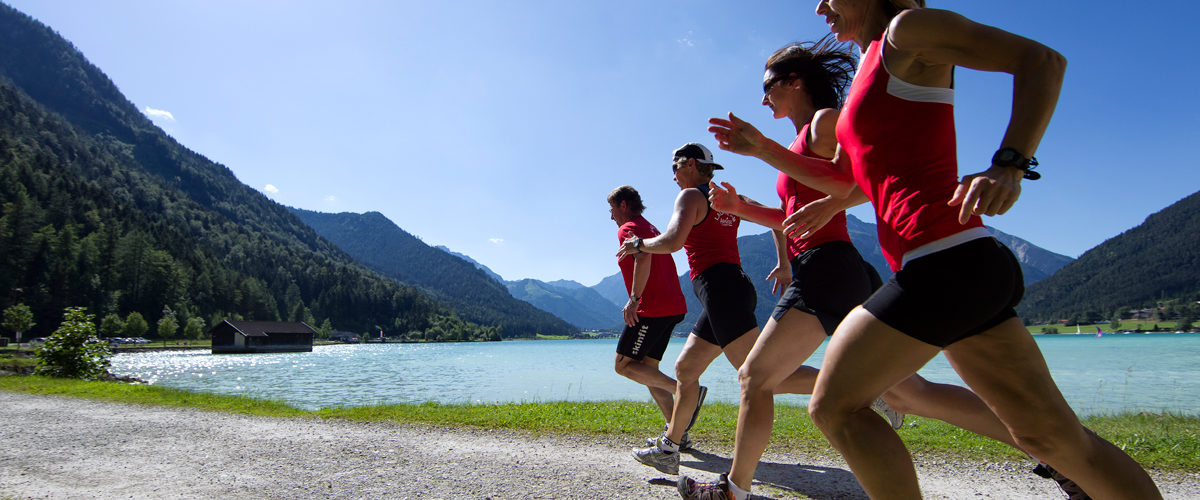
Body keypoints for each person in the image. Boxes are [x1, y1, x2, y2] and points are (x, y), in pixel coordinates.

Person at [708, 1, 1161, 498]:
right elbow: (845, 180)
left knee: (834, 405)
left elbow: (1042, 62)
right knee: (1052, 439)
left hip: (943, 259)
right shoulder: (866, 75)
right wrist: (764, 150)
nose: (821, 6)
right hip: (957, 264)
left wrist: (1009, 163)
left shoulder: (908, 31)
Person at [680, 40, 1064, 500]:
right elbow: (796, 215)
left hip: (825, 268)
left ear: (794, 82)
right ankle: (1055, 455)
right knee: (907, 393)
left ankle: (733, 492)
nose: (763, 100)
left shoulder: (825, 121)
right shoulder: (798, 141)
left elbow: (871, 174)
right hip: (836, 267)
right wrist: (741, 208)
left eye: (768, 87)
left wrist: (831, 198)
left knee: (755, 378)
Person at [619, 143, 760, 476]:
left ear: (691, 164)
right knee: (685, 370)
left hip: (720, 289)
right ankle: (670, 448)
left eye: (674, 169)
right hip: (728, 289)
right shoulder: (727, 196)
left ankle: (874, 387)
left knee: (760, 375)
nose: (672, 178)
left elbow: (673, 241)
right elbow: (779, 220)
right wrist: (783, 264)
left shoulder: (691, 196)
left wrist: (639, 244)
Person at [608, 185, 690, 444]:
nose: (611, 216)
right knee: (647, 370)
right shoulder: (649, 227)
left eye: (612, 209)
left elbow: (642, 258)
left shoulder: (629, 228)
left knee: (623, 366)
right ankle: (677, 434)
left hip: (652, 308)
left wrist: (633, 300)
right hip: (672, 305)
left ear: (623, 205)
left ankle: (687, 393)